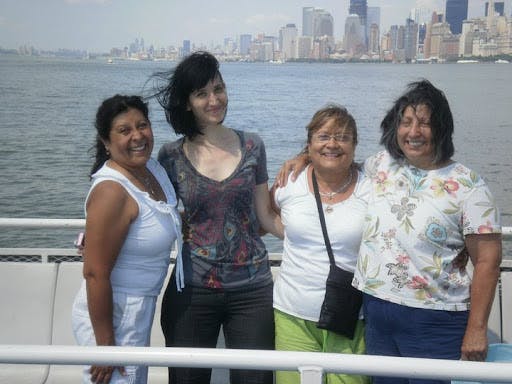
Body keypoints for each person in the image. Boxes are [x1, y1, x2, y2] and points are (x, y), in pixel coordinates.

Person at [278, 80, 502, 384]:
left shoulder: (468, 186)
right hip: (377, 313)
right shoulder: (382, 165)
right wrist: (304, 157)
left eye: (424, 123)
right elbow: (337, 163)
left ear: (442, 128)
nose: (413, 132)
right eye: (406, 122)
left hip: (436, 319)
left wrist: (477, 328)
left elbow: (488, 261)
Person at [152, 51, 283, 384]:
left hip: (252, 290)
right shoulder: (169, 156)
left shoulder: (253, 145)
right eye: (202, 94)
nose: (214, 100)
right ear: (187, 103)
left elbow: (265, 217)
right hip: (193, 290)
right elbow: (149, 210)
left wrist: (315, 236)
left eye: (219, 89)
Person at [71, 95, 182, 384]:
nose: (138, 136)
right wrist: (106, 346)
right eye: (124, 130)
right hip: (115, 315)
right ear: (106, 142)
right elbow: (95, 273)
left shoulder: (150, 170)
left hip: (138, 310)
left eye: (142, 125)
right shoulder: (112, 191)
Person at [272, 105, 369, 384]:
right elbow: (263, 216)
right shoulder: (289, 183)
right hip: (293, 315)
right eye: (323, 136)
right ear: (309, 143)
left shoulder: (371, 186)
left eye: (343, 137)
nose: (333, 144)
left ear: (354, 145)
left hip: (351, 316)